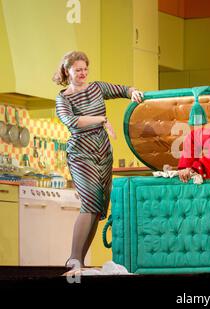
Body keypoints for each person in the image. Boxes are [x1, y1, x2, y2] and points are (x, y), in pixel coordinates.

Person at [53, 51, 143, 270]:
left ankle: (80, 262)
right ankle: (73, 258)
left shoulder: (97, 88)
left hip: (103, 152)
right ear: (68, 71)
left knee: (98, 207)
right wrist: (101, 119)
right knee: (90, 202)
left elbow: (122, 89)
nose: (83, 73)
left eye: (85, 69)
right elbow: (72, 122)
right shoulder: (63, 98)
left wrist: (133, 92)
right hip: (81, 154)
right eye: (78, 70)